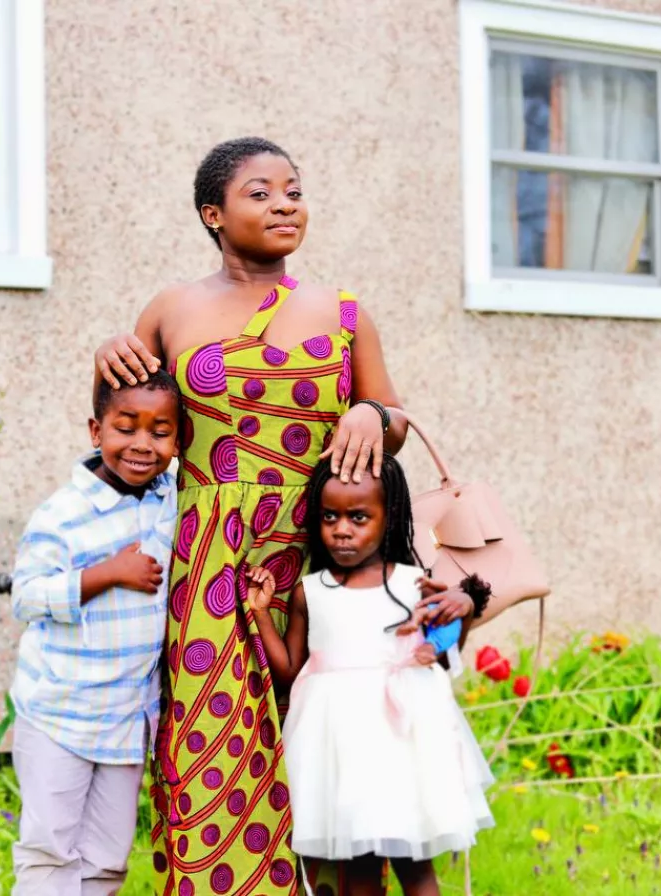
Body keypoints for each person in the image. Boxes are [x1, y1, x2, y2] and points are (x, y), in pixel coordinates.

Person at [92, 137, 452, 894]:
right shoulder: (170, 309)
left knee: (334, 741)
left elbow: (391, 423)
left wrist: (371, 411)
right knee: (218, 742)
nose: (285, 203)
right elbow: (129, 428)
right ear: (212, 214)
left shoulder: (344, 311)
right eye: (261, 192)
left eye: (294, 189)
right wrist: (109, 358)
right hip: (211, 560)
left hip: (324, 557)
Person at [247, 457, 495, 896]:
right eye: (330, 516)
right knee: (358, 868)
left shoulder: (415, 583)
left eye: (358, 517)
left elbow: (444, 652)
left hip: (401, 746)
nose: (342, 529)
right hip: (340, 749)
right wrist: (262, 613)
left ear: (390, 517)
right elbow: (286, 670)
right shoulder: (311, 590)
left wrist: (466, 610)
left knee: (416, 866)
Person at [7, 371, 182, 896]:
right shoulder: (64, 514)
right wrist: (106, 573)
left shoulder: (168, 499)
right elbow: (27, 595)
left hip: (128, 722)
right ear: (95, 429)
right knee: (50, 853)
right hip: (60, 715)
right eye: (125, 428)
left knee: (107, 860)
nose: (142, 445)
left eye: (160, 432)